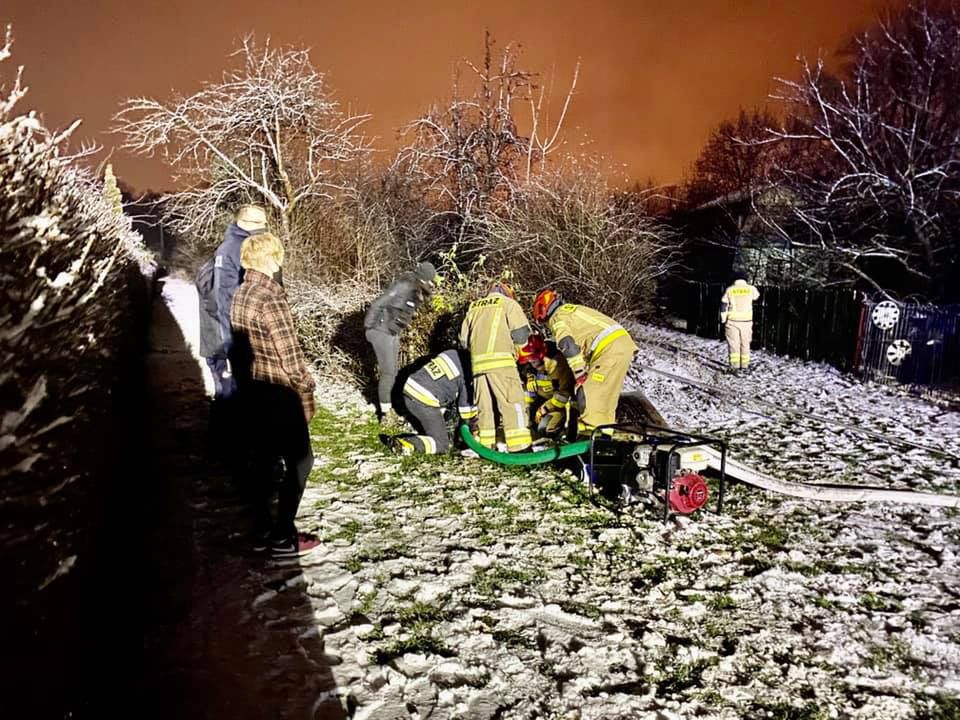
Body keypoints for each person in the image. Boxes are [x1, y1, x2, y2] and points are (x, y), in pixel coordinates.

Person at [230, 232, 316, 557]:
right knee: (301, 461)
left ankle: (264, 528)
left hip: (253, 389)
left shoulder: (241, 293)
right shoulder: (270, 297)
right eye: (278, 256)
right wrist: (307, 384)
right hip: (280, 391)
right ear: (270, 259)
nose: (281, 261)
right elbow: (289, 355)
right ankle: (282, 536)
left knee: (265, 461)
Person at [532, 290, 638, 434]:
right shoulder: (571, 311)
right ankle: (605, 437)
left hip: (608, 349)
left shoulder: (557, 317)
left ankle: (590, 439)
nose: (546, 326)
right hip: (620, 346)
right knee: (605, 402)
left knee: (588, 396)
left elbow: (567, 344)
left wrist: (579, 372)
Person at [198, 204, 268, 399]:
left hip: (220, 337)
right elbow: (225, 297)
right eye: (259, 224)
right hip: (224, 339)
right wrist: (235, 347)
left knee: (233, 397)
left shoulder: (235, 245)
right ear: (243, 223)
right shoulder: (234, 248)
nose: (264, 228)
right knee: (231, 397)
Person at [459, 282, 532, 452]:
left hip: (478, 368)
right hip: (502, 365)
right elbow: (521, 335)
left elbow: (463, 341)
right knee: (513, 404)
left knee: (485, 408)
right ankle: (520, 449)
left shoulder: (473, 308)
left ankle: (486, 448)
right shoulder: (509, 305)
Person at [364, 262, 438, 427]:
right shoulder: (405, 286)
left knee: (394, 371)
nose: (432, 285)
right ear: (424, 278)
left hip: (391, 331)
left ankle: (391, 405)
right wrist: (370, 328)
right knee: (388, 373)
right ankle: (386, 414)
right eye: (430, 281)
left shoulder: (416, 289)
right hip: (380, 330)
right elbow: (378, 303)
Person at [389, 349, 477, 454]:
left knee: (434, 426)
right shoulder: (468, 370)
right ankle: (408, 444)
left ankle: (410, 438)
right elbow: (465, 411)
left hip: (410, 388)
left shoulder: (452, 353)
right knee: (441, 444)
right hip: (425, 399)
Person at [720, 270, 760, 373]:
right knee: (745, 344)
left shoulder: (730, 290)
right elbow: (757, 296)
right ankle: (745, 366)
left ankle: (734, 366)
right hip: (746, 321)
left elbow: (724, 305)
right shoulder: (751, 289)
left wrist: (723, 319)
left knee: (734, 344)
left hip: (732, 321)